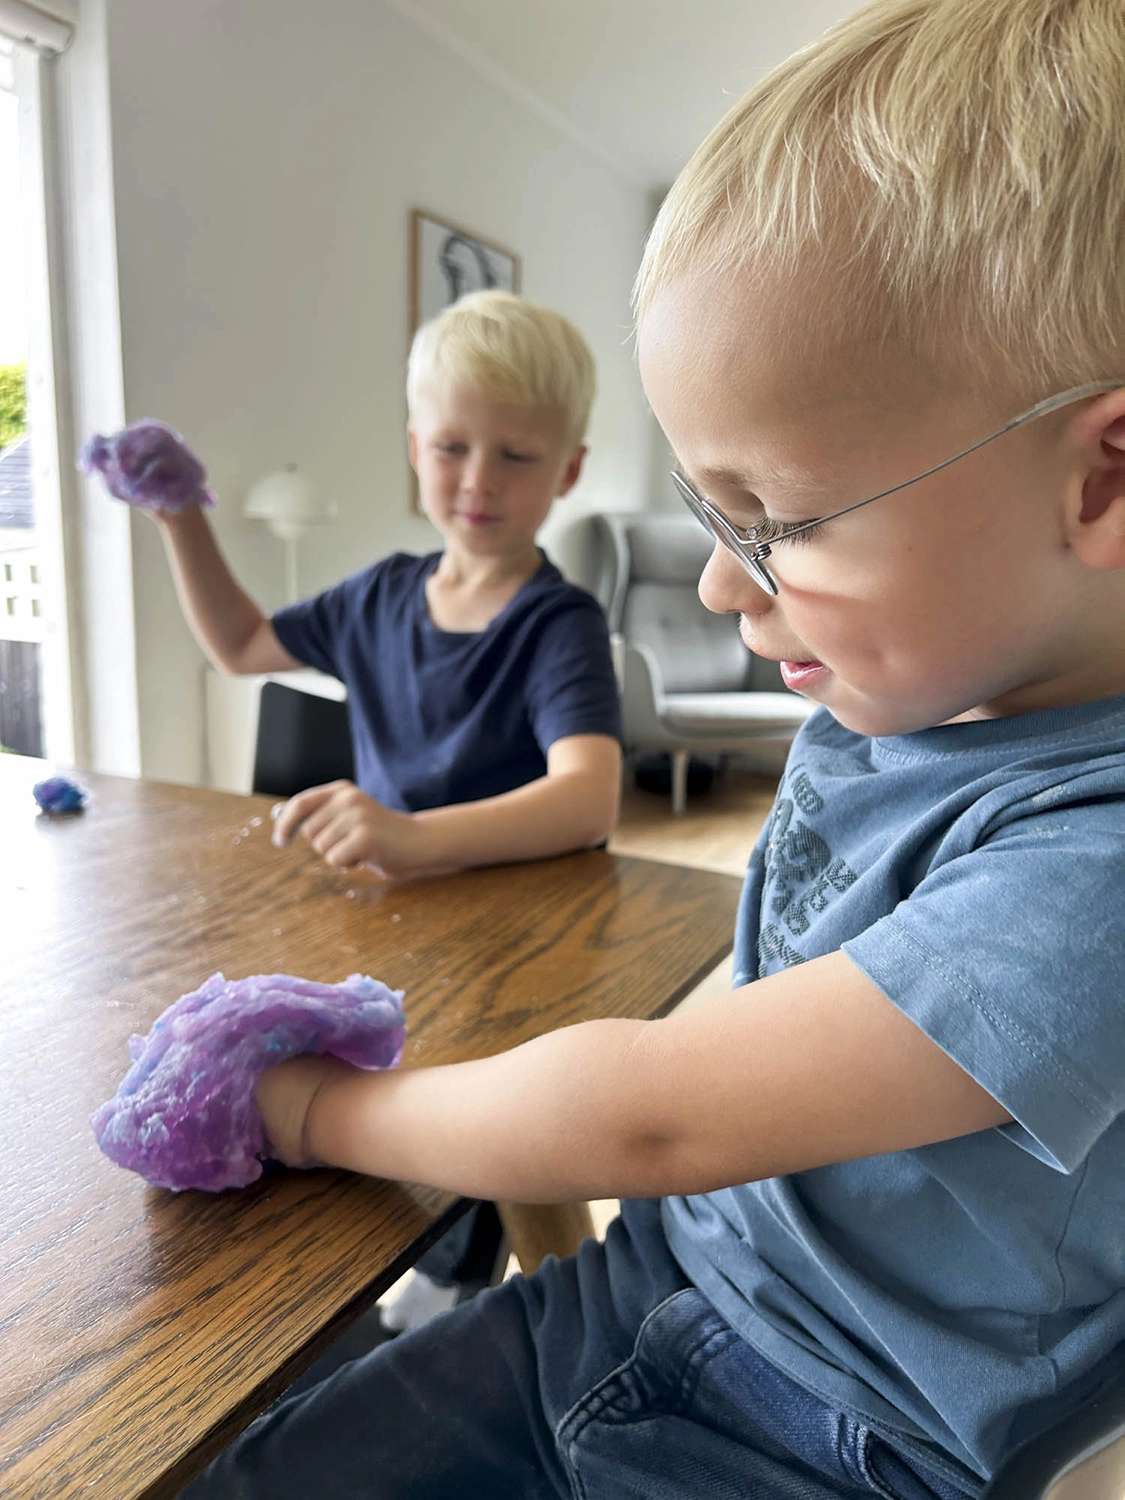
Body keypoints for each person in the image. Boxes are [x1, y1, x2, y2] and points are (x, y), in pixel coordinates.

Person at [182, 0, 1125, 1495]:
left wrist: (313, 1109)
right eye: (707, 513)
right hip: (659, 1282)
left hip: (824, 1427)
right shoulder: (924, 692)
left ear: (1103, 478)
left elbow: (651, 1111)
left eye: (778, 519)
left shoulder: (1095, 871)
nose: (715, 585)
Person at [97, 290, 623, 1327]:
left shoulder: (559, 623)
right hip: (395, 926)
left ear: (566, 471)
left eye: (516, 457)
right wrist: (180, 515)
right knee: (374, 1106)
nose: (479, 480)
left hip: (521, 940)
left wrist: (416, 835)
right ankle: (436, 1276)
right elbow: (243, 647)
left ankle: (528, 1304)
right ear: (415, 447)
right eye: (453, 447)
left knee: (505, 1137)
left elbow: (589, 795)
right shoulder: (380, 594)